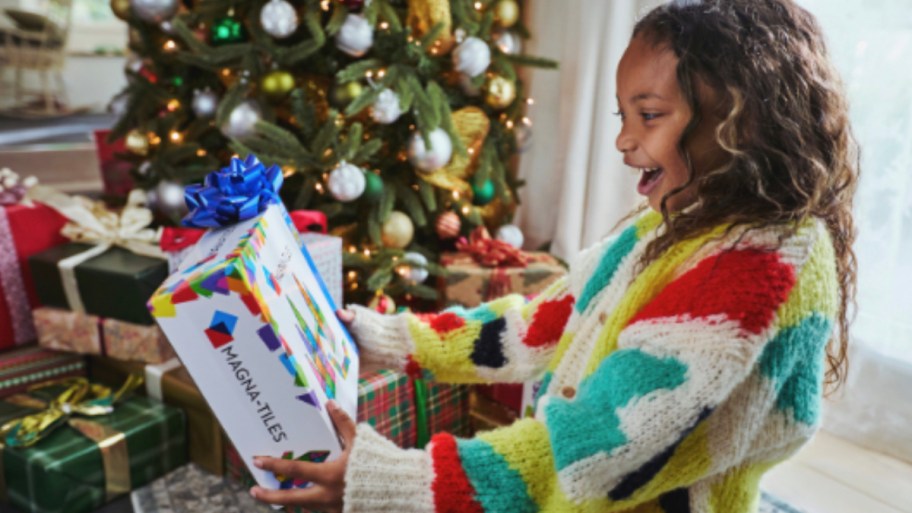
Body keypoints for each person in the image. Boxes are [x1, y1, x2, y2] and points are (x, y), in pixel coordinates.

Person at [249, 0, 859, 511]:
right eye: (623, 116)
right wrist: (384, 336)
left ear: (744, 121)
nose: (623, 140)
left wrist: (397, 481)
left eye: (648, 115)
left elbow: (597, 445)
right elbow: (541, 323)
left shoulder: (755, 267)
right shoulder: (674, 225)